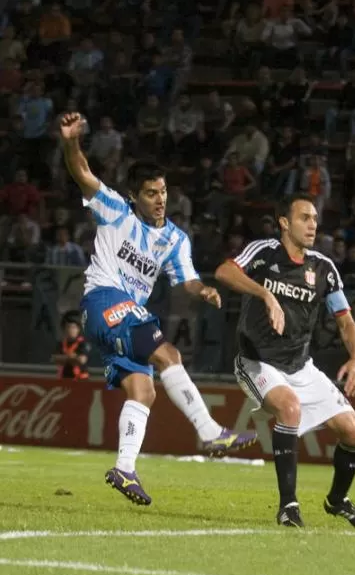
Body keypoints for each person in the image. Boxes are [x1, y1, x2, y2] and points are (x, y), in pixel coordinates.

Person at [58, 112, 258, 507]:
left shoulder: (175, 239)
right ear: (135, 196)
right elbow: (80, 171)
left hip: (120, 315)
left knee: (143, 390)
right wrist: (70, 141)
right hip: (104, 300)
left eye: (163, 191)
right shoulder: (114, 209)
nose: (161, 199)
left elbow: (186, 279)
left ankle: (125, 468)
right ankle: (209, 430)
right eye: (151, 192)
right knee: (169, 354)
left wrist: (204, 291)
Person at [214, 194, 355, 530]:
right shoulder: (264, 252)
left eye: (315, 217)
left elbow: (345, 321)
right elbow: (224, 271)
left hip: (300, 365)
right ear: (284, 223)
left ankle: (337, 501)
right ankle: (288, 505)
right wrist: (265, 294)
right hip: (258, 361)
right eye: (304, 217)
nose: (313, 224)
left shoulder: (323, 269)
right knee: (289, 408)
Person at [52, 311, 91, 380]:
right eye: (68, 327)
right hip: (64, 378)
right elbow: (54, 358)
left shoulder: (83, 343)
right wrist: (72, 357)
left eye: (73, 327)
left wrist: (64, 358)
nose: (71, 330)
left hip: (80, 380)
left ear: (78, 329)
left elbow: (82, 360)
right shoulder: (61, 343)